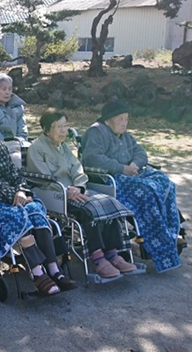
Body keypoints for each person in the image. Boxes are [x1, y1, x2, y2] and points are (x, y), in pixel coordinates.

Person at [0, 109, 77, 295]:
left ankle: (53, 269)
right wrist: (13, 196)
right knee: (16, 215)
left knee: (36, 210)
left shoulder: (0, 147)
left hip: (15, 196)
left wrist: (20, 190)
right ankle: (38, 273)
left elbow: (16, 175)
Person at [27, 109, 138, 278]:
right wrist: (65, 191)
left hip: (75, 190)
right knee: (89, 209)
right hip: (55, 194)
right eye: (59, 127)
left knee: (109, 203)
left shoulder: (64, 147)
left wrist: (78, 187)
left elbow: (78, 170)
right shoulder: (37, 148)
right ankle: (98, 257)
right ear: (46, 129)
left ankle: (114, 254)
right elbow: (43, 178)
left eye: (66, 126)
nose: (64, 130)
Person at [81, 101, 181, 272]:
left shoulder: (125, 135)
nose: (124, 123)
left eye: (126, 119)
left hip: (132, 173)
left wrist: (134, 164)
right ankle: (157, 237)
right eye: (120, 119)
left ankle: (170, 230)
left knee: (165, 183)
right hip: (111, 178)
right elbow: (92, 158)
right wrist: (122, 168)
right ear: (107, 120)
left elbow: (141, 153)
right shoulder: (96, 131)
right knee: (148, 190)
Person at [0, 72, 28, 167]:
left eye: (10, 89)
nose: (8, 92)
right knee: (16, 159)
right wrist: (3, 144)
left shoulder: (18, 107)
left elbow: (22, 128)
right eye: (4, 89)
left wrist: (21, 141)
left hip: (18, 144)